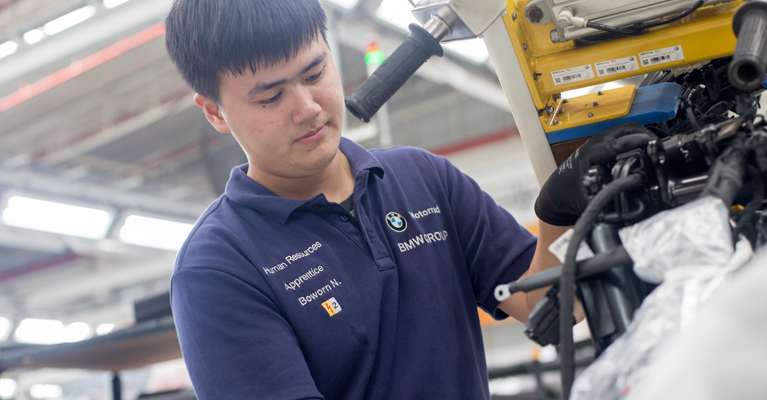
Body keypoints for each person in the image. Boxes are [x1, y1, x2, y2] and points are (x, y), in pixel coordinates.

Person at [164, 0, 611, 398]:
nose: (307, 108)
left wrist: (559, 211)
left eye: (315, 73)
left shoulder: (424, 178)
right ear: (215, 112)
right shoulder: (216, 269)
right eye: (271, 97)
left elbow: (548, 309)